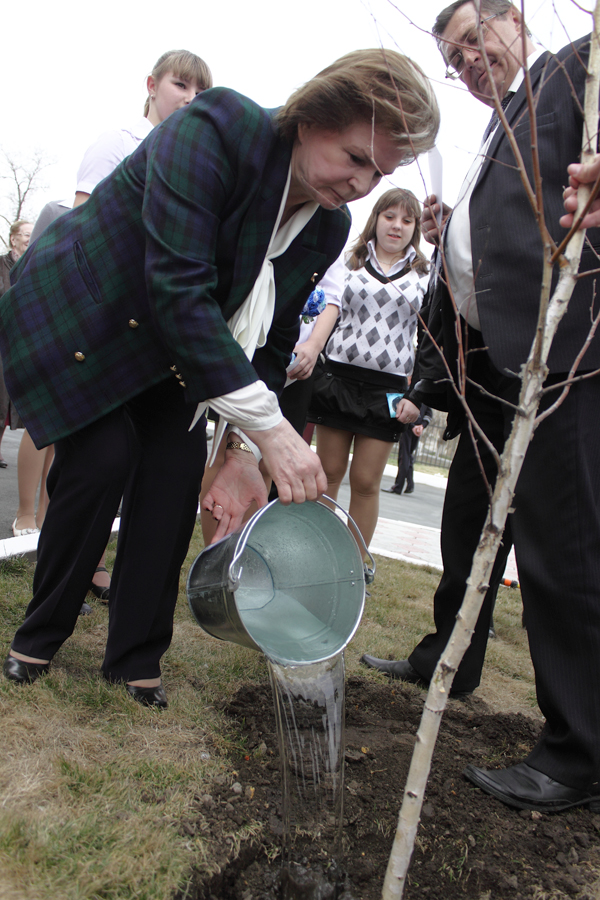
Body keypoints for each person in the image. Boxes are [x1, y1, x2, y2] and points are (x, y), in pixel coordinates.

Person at [0, 50, 440, 709]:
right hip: (86, 317)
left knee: (175, 473)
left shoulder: (328, 225)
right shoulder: (217, 129)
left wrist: (248, 452)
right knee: (101, 460)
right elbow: (179, 289)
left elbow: (269, 341)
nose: (361, 184)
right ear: (314, 116)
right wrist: (273, 430)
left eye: (379, 172)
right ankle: (40, 633)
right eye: (354, 158)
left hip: (173, 349)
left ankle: (134, 659)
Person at [362, 0, 600, 813]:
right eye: (455, 58)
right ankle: (448, 659)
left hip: (560, 357)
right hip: (493, 369)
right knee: (469, 518)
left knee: (560, 547)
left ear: (515, 20)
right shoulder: (498, 129)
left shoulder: (574, 76)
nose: (468, 63)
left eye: (475, 40)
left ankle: (577, 750)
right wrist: (453, 227)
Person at [307, 188, 429, 551]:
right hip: (338, 380)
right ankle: (313, 554)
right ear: (376, 217)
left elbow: (430, 339)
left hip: (388, 391)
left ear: (415, 228)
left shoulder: (426, 273)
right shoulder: (348, 261)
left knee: (365, 481)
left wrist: (418, 396)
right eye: (390, 216)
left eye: (407, 220)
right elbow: (325, 309)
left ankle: (353, 565)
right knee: (327, 474)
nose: (397, 226)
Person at [0, 221, 32, 476]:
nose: (28, 239)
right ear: (13, 239)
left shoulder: (33, 265)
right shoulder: (1, 265)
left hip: (20, 341)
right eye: (25, 235)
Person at [382, 403, 433, 495]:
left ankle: (398, 486)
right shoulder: (425, 394)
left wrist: (413, 426)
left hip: (409, 428)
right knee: (408, 455)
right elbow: (429, 414)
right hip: (417, 429)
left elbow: (405, 410)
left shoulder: (413, 392)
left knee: (404, 456)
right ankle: (410, 485)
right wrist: (421, 426)